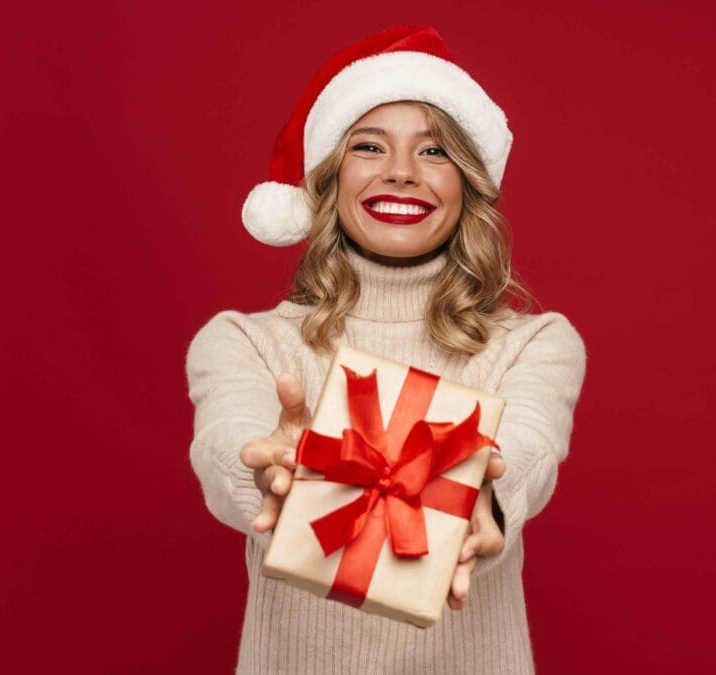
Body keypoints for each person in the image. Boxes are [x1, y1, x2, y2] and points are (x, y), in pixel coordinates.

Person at [185, 25, 587, 674]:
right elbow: (227, 438)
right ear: (329, 178)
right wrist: (266, 472)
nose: (401, 171)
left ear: (469, 184)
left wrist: (485, 500)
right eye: (369, 146)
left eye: (434, 151)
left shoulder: (537, 343)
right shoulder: (244, 341)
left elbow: (530, 445)